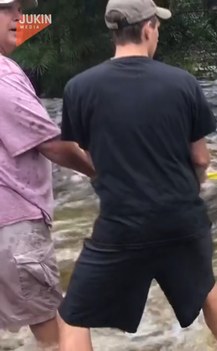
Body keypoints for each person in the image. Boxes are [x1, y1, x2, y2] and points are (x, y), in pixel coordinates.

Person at [56, 0, 217, 349]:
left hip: (122, 225)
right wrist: (193, 186)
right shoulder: (182, 83)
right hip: (181, 218)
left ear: (115, 32)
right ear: (148, 28)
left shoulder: (79, 88)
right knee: (207, 288)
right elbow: (200, 157)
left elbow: (93, 157)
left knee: (73, 315)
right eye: (157, 27)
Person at [0, 0, 96, 350]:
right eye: (7, 9)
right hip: (15, 228)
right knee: (58, 334)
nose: (19, 18)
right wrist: (104, 174)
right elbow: (52, 145)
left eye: (20, 10)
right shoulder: (5, 75)